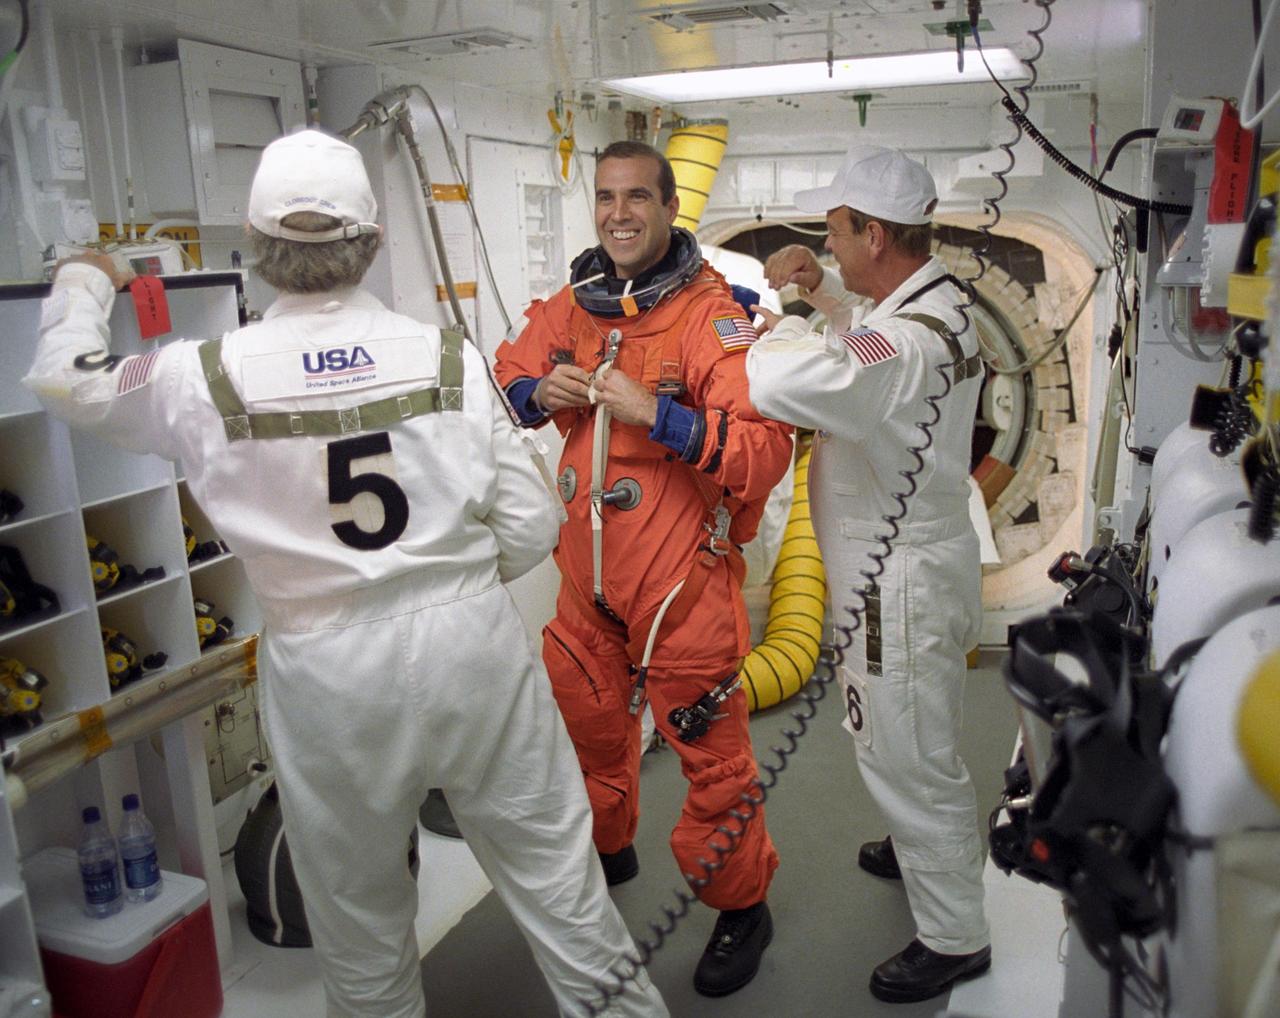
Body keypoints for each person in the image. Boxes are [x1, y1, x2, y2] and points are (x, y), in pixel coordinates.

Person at [24, 128, 668, 1018]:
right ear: (369, 244)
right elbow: (531, 519)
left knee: (362, 933)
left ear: (257, 248)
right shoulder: (446, 358)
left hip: (325, 672)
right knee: (563, 891)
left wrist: (88, 277)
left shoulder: (203, 375)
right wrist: (455, 580)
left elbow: (71, 381)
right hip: (469, 647)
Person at [493, 141, 793, 998]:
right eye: (605, 198)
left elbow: (765, 454)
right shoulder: (576, 307)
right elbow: (509, 364)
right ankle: (608, 850)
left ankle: (743, 908)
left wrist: (654, 412)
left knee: (714, 764)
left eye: (637, 198)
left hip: (679, 590)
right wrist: (537, 393)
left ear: (668, 208)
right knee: (588, 732)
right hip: (587, 588)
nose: (619, 214)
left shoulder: (712, 319)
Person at [745, 144, 991, 1004]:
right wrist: (825, 288)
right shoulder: (945, 303)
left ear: (877, 234)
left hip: (898, 578)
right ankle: (919, 844)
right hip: (922, 556)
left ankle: (956, 936)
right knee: (919, 727)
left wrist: (778, 313)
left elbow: (795, 380)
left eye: (838, 232)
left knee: (904, 750)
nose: (831, 243)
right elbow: (873, 325)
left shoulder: (898, 346)